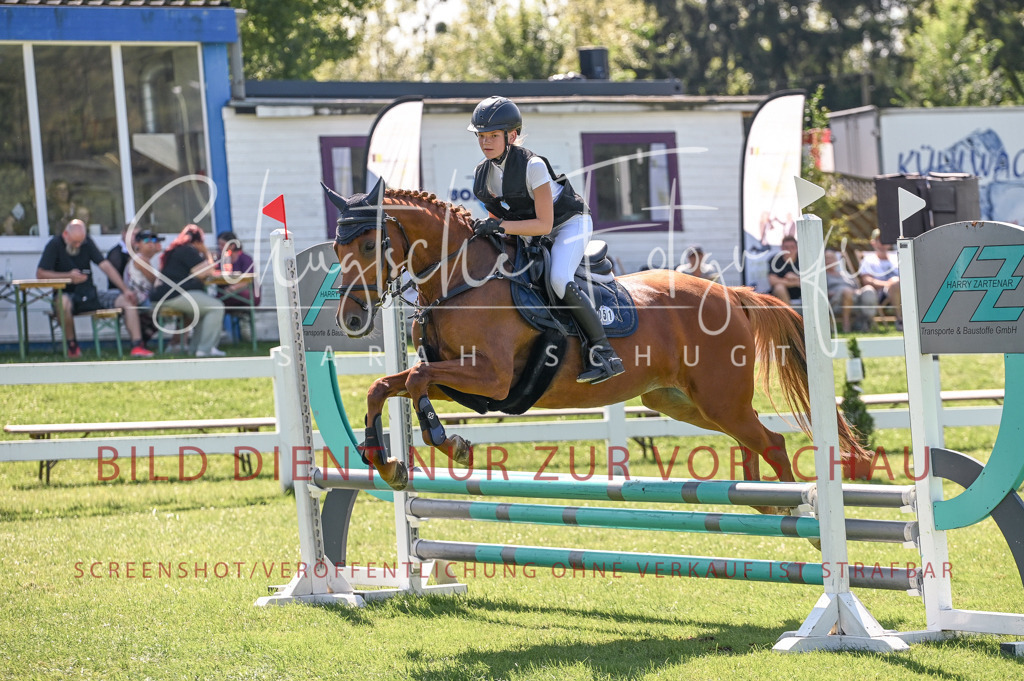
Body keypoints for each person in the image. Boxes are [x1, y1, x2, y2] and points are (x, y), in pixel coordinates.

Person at [468, 96, 624, 384]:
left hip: (568, 224)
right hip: (532, 230)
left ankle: (604, 353)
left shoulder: (533, 165)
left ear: (511, 135)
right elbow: (501, 222)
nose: (485, 142)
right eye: (481, 136)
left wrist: (499, 226)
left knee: (558, 279)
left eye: (492, 135)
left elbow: (544, 224)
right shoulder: (482, 176)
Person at [35, 219, 154, 358]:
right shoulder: (54, 244)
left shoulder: (87, 242)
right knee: (63, 303)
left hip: (90, 294)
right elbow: (40, 274)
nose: (78, 245)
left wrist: (125, 290)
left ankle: (137, 346)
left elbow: (105, 266)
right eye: (75, 242)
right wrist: (68, 276)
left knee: (127, 300)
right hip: (66, 294)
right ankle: (72, 346)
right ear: (65, 234)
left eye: (81, 242)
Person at [151, 223, 225, 357]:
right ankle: (205, 350)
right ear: (198, 241)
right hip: (172, 296)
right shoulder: (187, 250)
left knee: (205, 311)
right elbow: (205, 272)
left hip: (164, 295)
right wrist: (206, 252)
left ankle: (196, 349)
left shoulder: (175, 249)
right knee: (216, 307)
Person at [825, 249, 878, 333]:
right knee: (846, 291)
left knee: (868, 289)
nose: (829, 260)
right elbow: (821, 292)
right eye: (827, 258)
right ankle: (846, 324)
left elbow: (856, 288)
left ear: (836, 260)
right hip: (836, 301)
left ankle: (866, 322)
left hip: (854, 297)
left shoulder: (845, 274)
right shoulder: (823, 276)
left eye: (831, 258)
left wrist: (855, 291)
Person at [858, 228, 902, 329]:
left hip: (903, 289)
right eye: (879, 240)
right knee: (895, 283)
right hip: (881, 293)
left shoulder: (897, 256)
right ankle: (900, 320)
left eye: (885, 240)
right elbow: (866, 280)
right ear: (873, 242)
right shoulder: (868, 259)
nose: (882, 243)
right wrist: (888, 284)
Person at [215, 231, 261, 307]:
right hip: (227, 293)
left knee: (219, 300)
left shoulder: (245, 259)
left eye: (223, 245)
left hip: (243, 292)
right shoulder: (221, 259)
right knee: (215, 301)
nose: (220, 247)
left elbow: (248, 279)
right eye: (219, 244)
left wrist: (232, 288)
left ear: (232, 246)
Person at [768, 235, 801, 306]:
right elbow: (772, 280)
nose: (789, 250)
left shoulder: (803, 259)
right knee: (779, 287)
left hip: (800, 291)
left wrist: (795, 277)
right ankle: (789, 315)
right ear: (782, 248)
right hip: (781, 293)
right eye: (786, 247)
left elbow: (809, 280)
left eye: (792, 247)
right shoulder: (775, 260)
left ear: (797, 247)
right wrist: (795, 282)